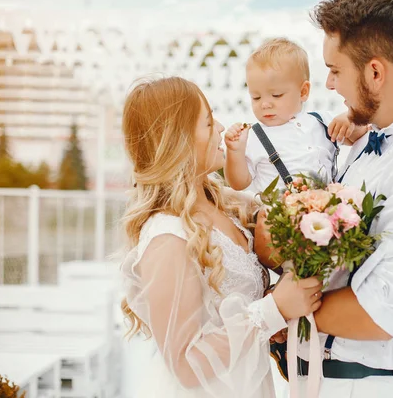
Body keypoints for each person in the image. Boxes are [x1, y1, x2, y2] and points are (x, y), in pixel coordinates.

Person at [255, 0, 393, 397]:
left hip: (370, 387)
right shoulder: (364, 139)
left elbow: (384, 312)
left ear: (375, 72)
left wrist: (280, 307)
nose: (329, 85)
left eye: (335, 70)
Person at [119, 76, 323, 398]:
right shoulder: (166, 236)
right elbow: (185, 365)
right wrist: (272, 310)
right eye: (209, 122)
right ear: (179, 140)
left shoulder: (224, 204)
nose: (221, 128)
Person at [224, 37, 364, 194]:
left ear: (303, 92)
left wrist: (350, 119)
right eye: (256, 97)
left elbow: (360, 135)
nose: (265, 104)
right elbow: (239, 183)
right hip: (277, 216)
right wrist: (235, 152)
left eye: (276, 95)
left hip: (326, 213)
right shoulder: (254, 137)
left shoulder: (322, 122)